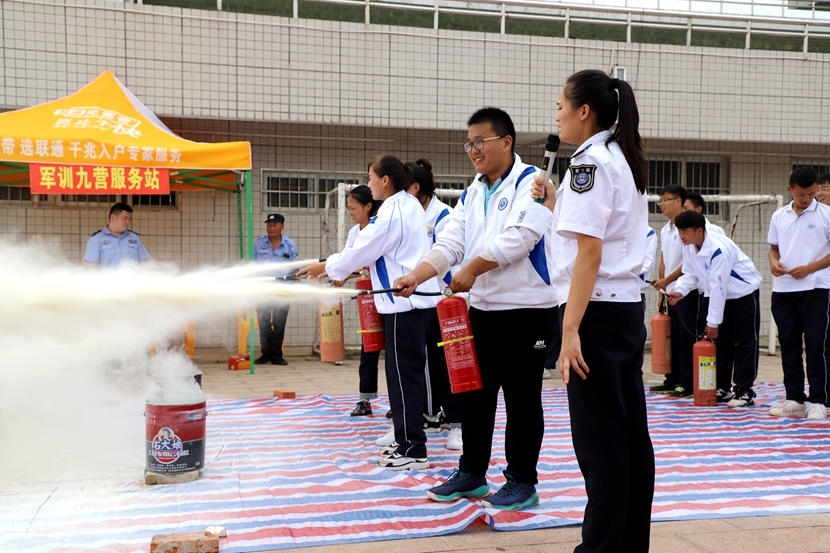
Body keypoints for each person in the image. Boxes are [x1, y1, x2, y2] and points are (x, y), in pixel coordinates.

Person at [394, 107, 556, 511]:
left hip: (526, 309)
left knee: (521, 399)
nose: (474, 150)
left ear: (506, 141)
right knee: (474, 396)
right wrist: (417, 276)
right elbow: (451, 242)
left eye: (480, 141)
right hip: (482, 309)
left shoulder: (533, 182)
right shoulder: (473, 191)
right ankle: (472, 472)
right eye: (469, 144)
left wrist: (471, 270)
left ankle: (522, 480)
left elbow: (521, 238)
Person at [543, 70, 654, 552]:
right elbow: (596, 238)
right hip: (622, 309)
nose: (557, 116)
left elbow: (590, 254)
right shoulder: (621, 157)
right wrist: (556, 203)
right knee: (627, 436)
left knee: (599, 442)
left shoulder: (588, 163)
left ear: (584, 111)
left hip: (596, 314)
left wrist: (570, 329)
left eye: (561, 105)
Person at [300, 155, 441, 471]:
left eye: (370, 177)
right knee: (402, 375)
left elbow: (364, 248)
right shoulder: (405, 206)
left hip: (406, 306)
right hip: (409, 305)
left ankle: (413, 448)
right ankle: (405, 441)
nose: (368, 183)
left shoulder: (392, 211)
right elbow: (369, 252)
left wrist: (326, 266)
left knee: (404, 377)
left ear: (385, 180)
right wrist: (333, 266)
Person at [668, 210, 762, 408]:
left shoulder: (719, 249)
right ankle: (722, 388)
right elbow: (690, 274)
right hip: (718, 295)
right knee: (722, 342)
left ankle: (744, 390)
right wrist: (680, 291)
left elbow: (719, 286)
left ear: (699, 230)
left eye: (685, 231)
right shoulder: (689, 247)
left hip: (742, 294)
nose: (681, 236)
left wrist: (712, 322)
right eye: (679, 231)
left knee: (745, 342)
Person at [405, 158, 463, 451]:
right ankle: (424, 417)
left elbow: (448, 260)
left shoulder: (444, 216)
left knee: (452, 365)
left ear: (416, 188)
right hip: (421, 302)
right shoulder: (408, 215)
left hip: (448, 301)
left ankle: (458, 425)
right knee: (426, 364)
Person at [767, 167, 830, 420]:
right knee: (789, 344)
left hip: (817, 288)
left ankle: (819, 401)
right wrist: (773, 262)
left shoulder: (826, 214)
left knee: (816, 344)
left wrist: (810, 268)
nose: (807, 199)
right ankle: (794, 398)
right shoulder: (778, 216)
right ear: (790, 189)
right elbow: (774, 248)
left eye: (812, 193)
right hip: (783, 289)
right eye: (801, 194)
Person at [336, 186, 383, 417]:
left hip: (390, 296)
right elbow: (349, 259)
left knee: (396, 355)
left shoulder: (379, 228)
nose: (350, 213)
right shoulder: (355, 232)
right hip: (368, 300)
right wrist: (340, 273)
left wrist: (346, 271)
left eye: (353, 208)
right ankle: (365, 400)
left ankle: (400, 403)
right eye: (348, 208)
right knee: (369, 348)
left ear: (368, 206)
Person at [650, 184, 699, 399]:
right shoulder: (665, 229)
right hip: (670, 291)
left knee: (685, 337)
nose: (661, 204)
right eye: (660, 200)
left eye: (666, 199)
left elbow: (688, 263)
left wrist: (667, 281)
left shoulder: (687, 229)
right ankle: (672, 379)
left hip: (686, 291)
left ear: (679, 201)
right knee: (672, 338)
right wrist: (662, 289)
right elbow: (664, 262)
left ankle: (687, 382)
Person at [255, 213, 298, 366]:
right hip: (263, 289)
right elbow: (254, 266)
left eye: (275, 225)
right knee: (264, 322)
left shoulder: (289, 244)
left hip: (283, 289)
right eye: (269, 225)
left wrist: (296, 282)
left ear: (282, 227)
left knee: (279, 323)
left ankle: (277, 355)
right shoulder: (259, 243)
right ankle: (265, 354)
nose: (271, 228)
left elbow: (295, 267)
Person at [84, 202, 150, 266]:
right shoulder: (96, 239)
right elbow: (91, 267)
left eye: (129, 219)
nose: (127, 222)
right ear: (113, 217)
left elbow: (143, 263)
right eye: (125, 219)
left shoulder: (134, 237)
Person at [640, 226, 657, 303]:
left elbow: (647, 262)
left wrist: (626, 273)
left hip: (637, 290)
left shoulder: (648, 232)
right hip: (613, 289)